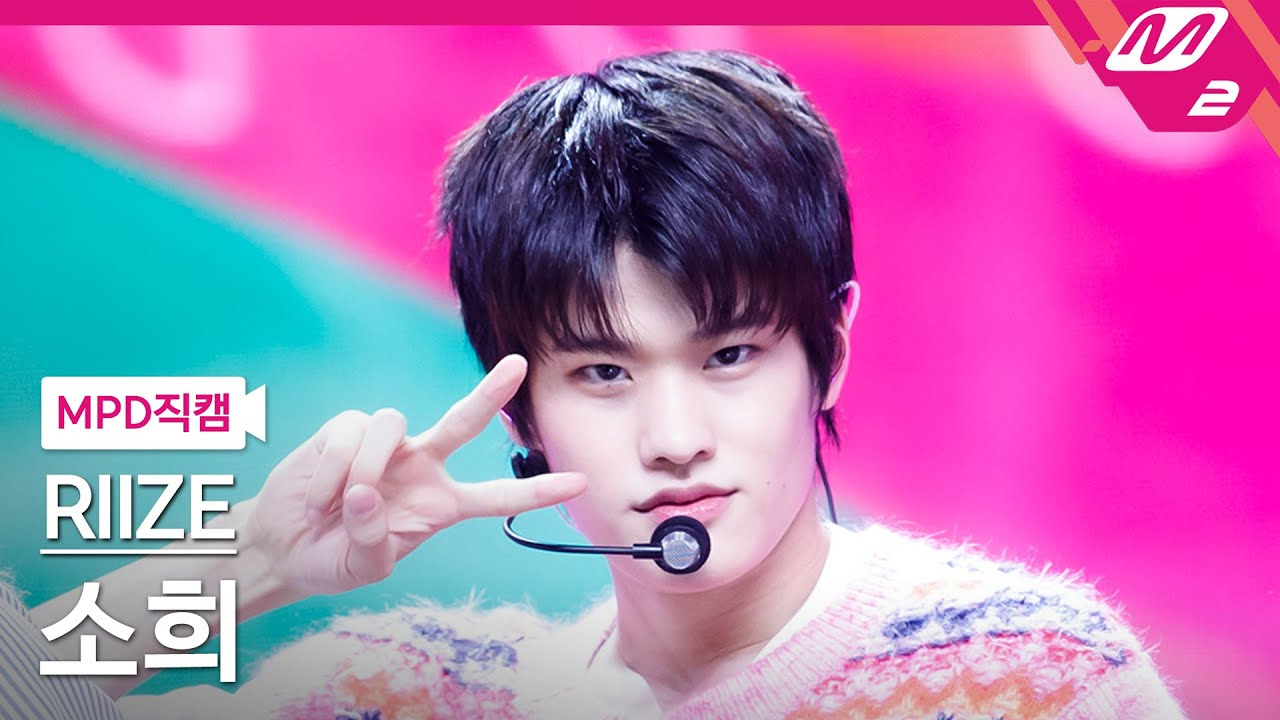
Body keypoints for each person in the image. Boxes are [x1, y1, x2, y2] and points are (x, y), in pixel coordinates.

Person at [29, 49, 1187, 719]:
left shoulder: (1017, 678)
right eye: (602, 372)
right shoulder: (417, 692)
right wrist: (251, 564)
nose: (674, 437)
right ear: (520, 407)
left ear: (827, 350)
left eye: (727, 357)